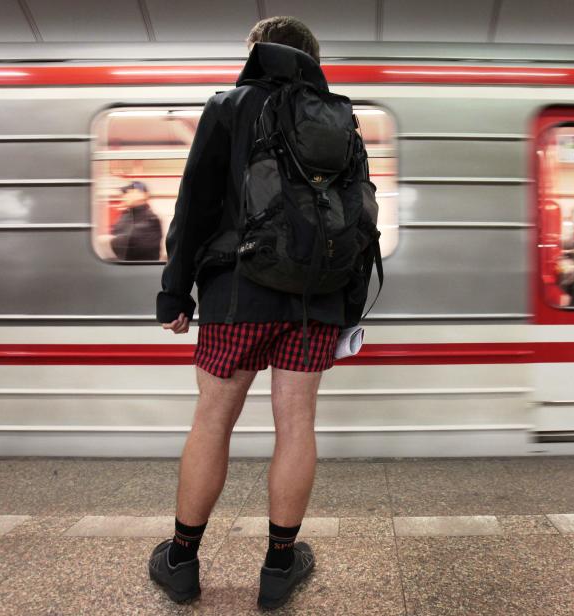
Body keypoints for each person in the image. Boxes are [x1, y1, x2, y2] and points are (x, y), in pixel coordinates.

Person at [149, 17, 350, 610]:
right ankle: (279, 567)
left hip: (237, 296)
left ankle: (182, 561)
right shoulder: (340, 118)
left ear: (257, 54)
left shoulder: (230, 105)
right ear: (313, 58)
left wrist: (174, 292)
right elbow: (360, 220)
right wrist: (346, 309)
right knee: (297, 426)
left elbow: (196, 202)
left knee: (213, 421)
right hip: (316, 302)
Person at [110, 181, 163, 261]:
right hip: (125, 266)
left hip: (141, 268)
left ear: (142, 195)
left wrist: (112, 240)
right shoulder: (125, 215)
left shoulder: (151, 219)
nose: (124, 196)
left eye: (128, 192)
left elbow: (136, 246)